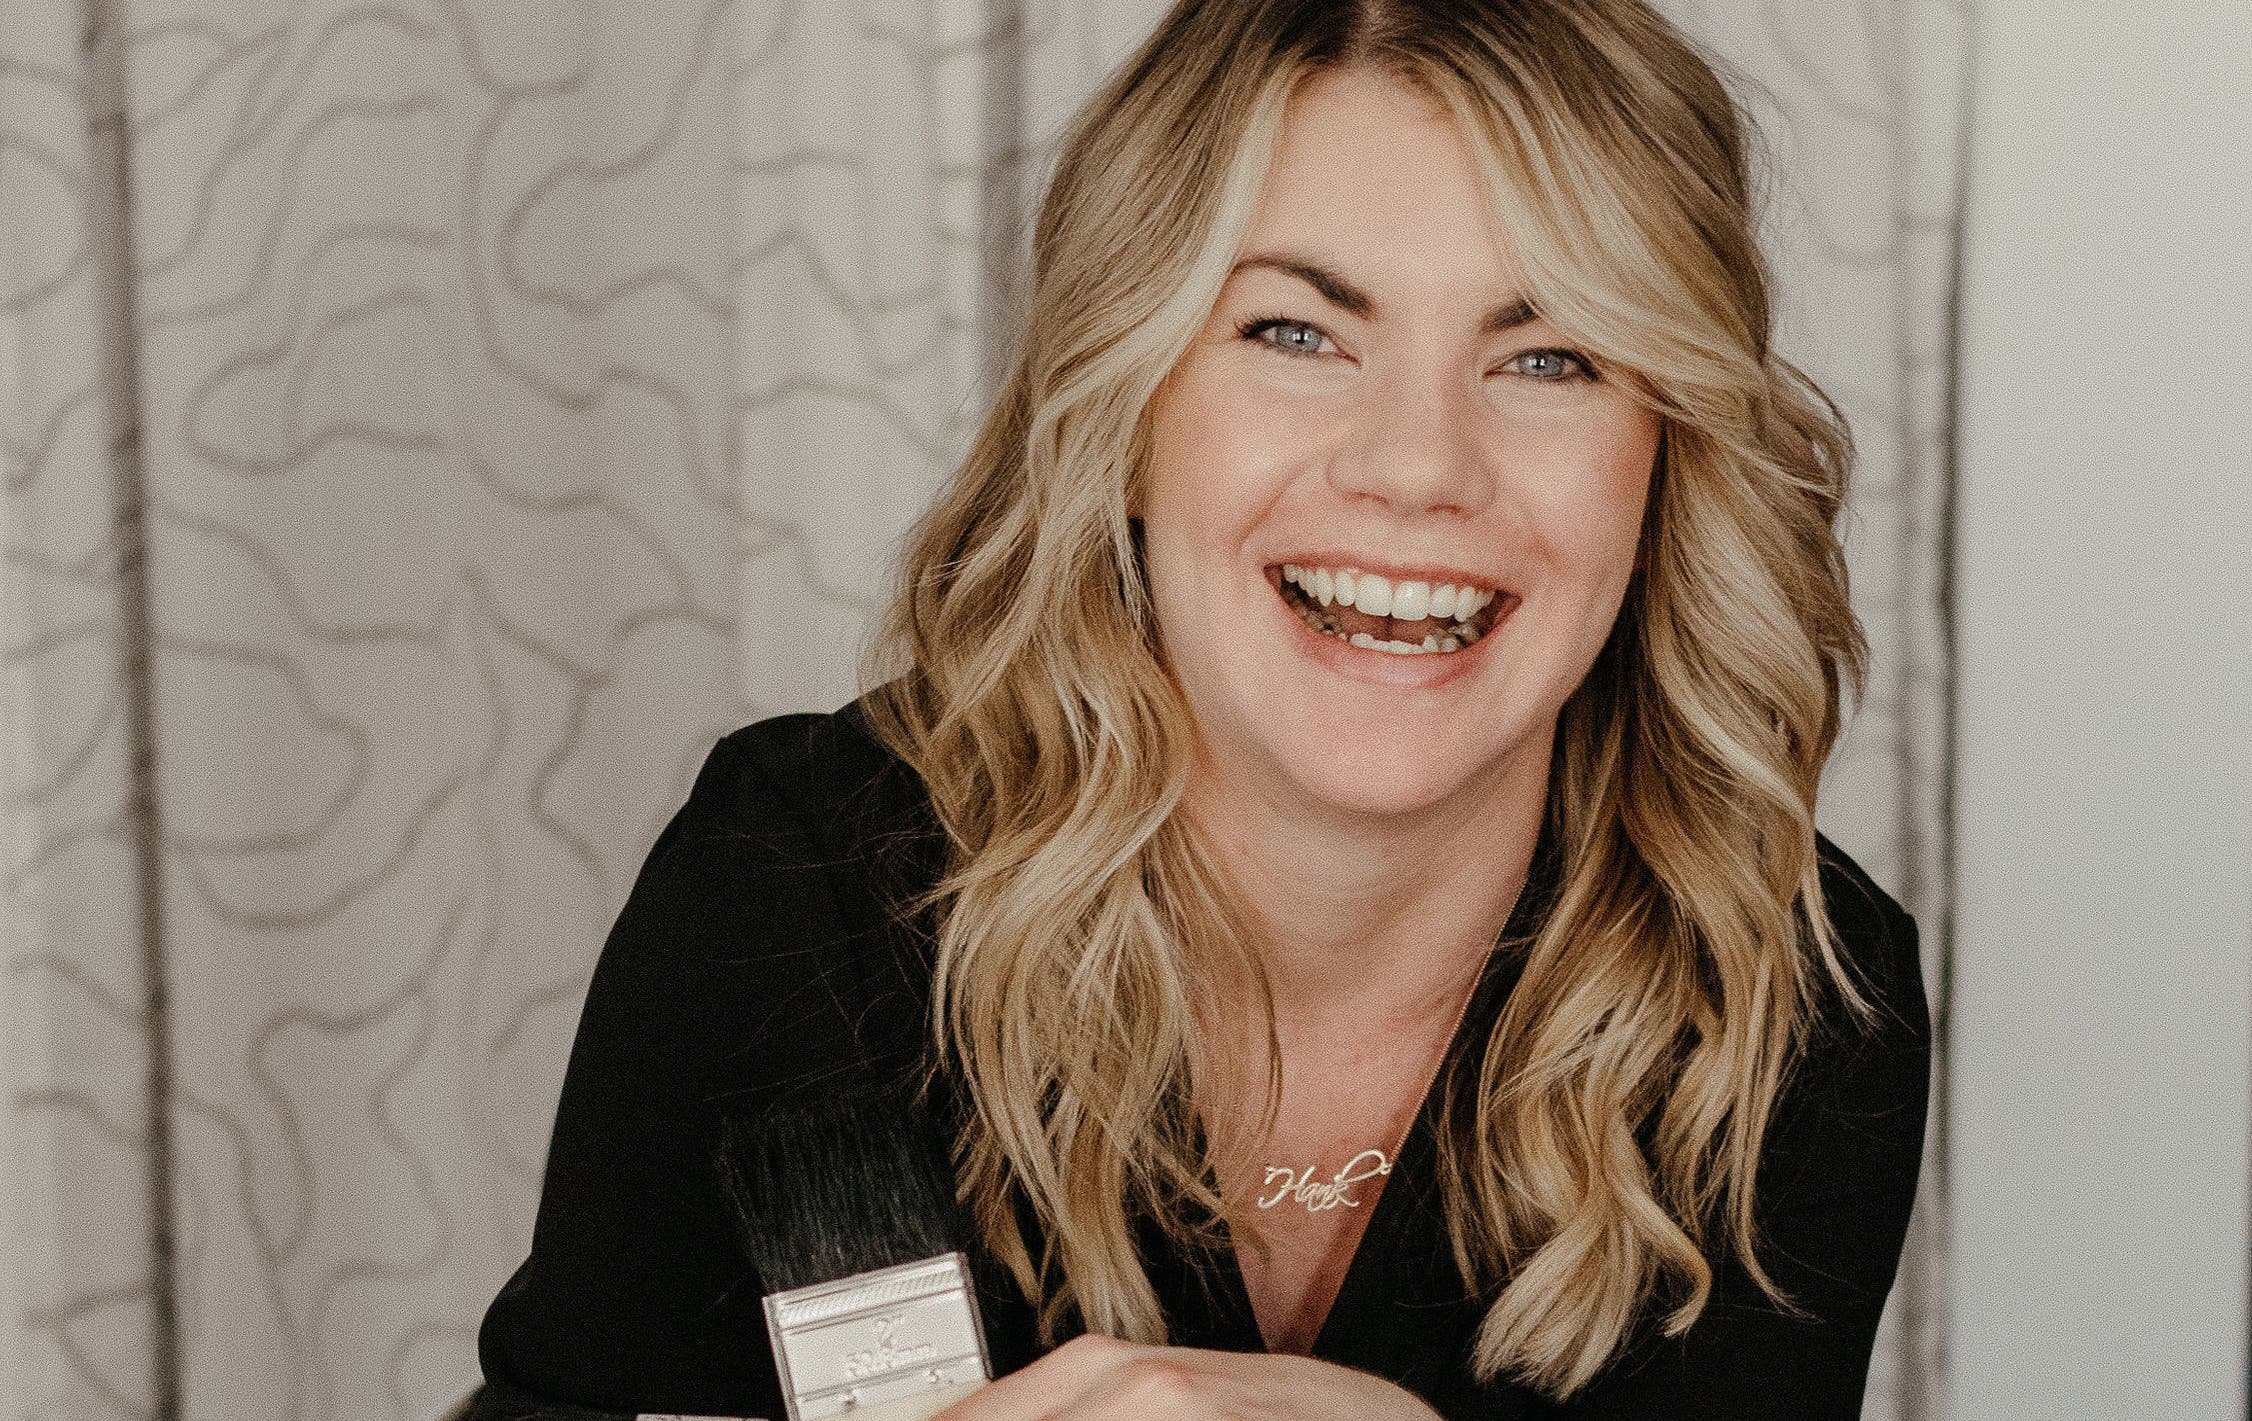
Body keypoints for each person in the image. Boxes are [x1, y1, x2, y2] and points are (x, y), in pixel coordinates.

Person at [468, 1, 1931, 1417]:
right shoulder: (793, 894)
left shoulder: (1787, 1005)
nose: (1418, 465)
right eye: (1296, 332)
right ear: (1127, 405)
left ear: (1667, 452)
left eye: (1551, 357)